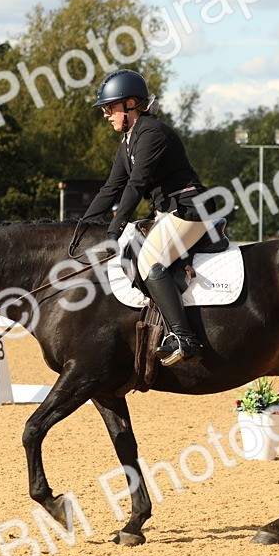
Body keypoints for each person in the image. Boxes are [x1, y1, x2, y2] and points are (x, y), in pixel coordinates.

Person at [80, 69, 209, 366]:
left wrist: (114, 229)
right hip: (167, 213)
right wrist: (82, 225)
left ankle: (184, 338)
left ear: (131, 104)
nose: (105, 114)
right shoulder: (128, 143)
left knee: (151, 261)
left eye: (110, 107)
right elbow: (111, 188)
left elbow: (136, 185)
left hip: (189, 210)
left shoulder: (151, 132)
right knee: (130, 255)